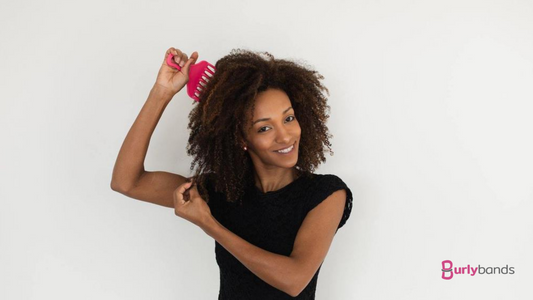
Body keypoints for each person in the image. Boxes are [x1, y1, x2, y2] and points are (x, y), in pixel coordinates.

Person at [111, 47, 353, 299]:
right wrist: (161, 93)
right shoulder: (221, 191)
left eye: (289, 118)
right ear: (241, 138)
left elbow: (293, 280)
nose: (285, 136)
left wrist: (209, 224)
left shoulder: (325, 194)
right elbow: (127, 182)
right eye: (264, 128)